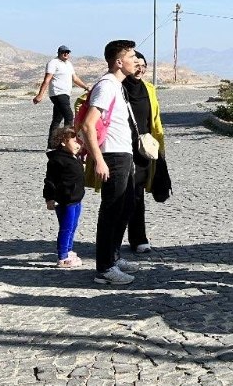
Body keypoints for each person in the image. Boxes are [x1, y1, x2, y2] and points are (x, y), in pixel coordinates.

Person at [81, 39, 142, 285]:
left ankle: (113, 257)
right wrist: (98, 159)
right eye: (132, 57)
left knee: (126, 207)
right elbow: (87, 124)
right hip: (112, 156)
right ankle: (104, 268)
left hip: (123, 154)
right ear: (119, 62)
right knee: (112, 210)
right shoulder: (106, 86)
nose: (136, 61)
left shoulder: (118, 86)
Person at [122, 51, 167, 255]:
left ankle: (138, 238)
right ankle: (112, 239)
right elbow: (83, 103)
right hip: (121, 148)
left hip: (143, 149)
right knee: (119, 196)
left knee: (137, 195)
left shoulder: (149, 89)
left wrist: (160, 146)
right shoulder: (118, 87)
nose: (140, 69)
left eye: (143, 65)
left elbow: (154, 120)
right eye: (136, 64)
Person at [43, 126, 86, 268]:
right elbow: (49, 181)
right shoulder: (57, 160)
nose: (77, 144)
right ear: (63, 142)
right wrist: (49, 198)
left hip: (76, 199)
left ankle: (69, 250)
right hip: (65, 200)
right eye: (74, 141)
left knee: (73, 226)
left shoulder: (73, 157)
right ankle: (62, 256)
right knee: (66, 228)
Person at [33, 45, 90, 149]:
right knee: (69, 116)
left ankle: (52, 145)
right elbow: (47, 79)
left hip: (66, 93)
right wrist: (40, 95)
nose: (66, 54)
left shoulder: (69, 64)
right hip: (57, 93)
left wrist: (85, 87)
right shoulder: (53, 63)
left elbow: (75, 78)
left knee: (57, 119)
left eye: (68, 52)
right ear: (59, 52)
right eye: (64, 52)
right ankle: (67, 143)